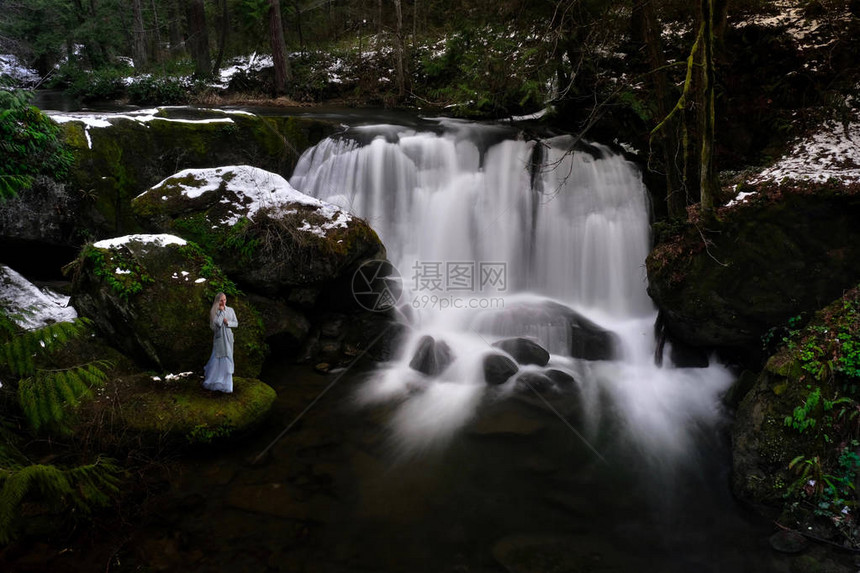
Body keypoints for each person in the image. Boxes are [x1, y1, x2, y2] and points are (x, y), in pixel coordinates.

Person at [203, 292, 238, 393]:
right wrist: (222, 312)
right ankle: (216, 381)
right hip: (219, 338)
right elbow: (216, 324)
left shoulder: (231, 310)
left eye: (225, 300)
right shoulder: (214, 311)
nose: (223, 302)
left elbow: (236, 323)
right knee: (218, 358)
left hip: (228, 337)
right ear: (217, 301)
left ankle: (227, 384)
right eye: (221, 300)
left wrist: (228, 323)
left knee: (228, 357)